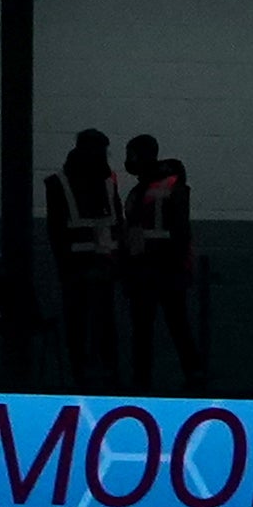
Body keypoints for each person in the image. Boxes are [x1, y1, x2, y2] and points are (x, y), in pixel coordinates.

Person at [117, 131, 204, 386]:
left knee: (156, 328)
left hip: (159, 270)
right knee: (170, 326)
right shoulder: (151, 188)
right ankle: (188, 374)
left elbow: (178, 231)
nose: (128, 160)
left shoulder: (156, 189)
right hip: (155, 270)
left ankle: (146, 380)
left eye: (131, 155)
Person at [43, 128, 121, 382]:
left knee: (95, 321)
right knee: (85, 320)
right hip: (81, 265)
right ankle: (86, 368)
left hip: (94, 264)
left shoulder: (103, 180)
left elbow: (116, 223)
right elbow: (56, 230)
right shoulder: (61, 182)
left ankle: (95, 367)